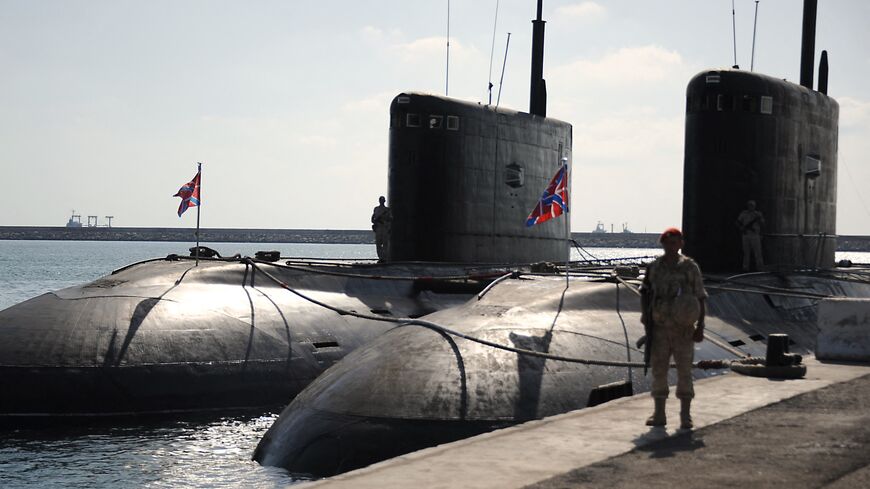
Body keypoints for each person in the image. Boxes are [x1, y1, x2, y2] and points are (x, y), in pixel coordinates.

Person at [640, 227, 707, 430]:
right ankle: (659, 413)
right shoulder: (654, 268)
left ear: (681, 244)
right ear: (663, 244)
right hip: (659, 329)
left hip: (683, 329)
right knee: (659, 371)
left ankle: (685, 416)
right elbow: (645, 292)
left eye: (675, 242)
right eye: (668, 243)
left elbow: (700, 297)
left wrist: (700, 326)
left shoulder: (689, 267)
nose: (671, 246)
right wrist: (646, 318)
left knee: (684, 371)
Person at [736, 200, 765, 271]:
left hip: (755, 235)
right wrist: (741, 228)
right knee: (746, 253)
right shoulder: (743, 213)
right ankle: (745, 268)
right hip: (746, 235)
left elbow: (763, 224)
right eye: (749, 205)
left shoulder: (757, 214)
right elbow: (737, 222)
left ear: (755, 206)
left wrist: (760, 218)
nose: (751, 207)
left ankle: (760, 268)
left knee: (758, 253)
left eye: (752, 205)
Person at [371, 196, 392, 262]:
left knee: (385, 243)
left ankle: (384, 257)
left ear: (384, 201)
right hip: (378, 228)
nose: (382, 201)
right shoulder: (376, 209)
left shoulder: (387, 210)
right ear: (379, 201)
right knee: (378, 243)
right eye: (381, 200)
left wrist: (384, 219)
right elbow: (373, 218)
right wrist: (376, 221)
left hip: (385, 227)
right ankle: (381, 257)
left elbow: (391, 219)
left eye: (383, 200)